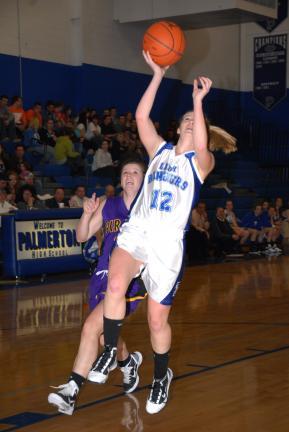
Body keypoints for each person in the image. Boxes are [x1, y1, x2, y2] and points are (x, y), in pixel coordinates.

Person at [91, 51, 215, 415]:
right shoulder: (159, 151)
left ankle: (162, 375)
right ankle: (110, 351)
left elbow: (204, 145)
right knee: (115, 286)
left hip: (167, 246)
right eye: (188, 121)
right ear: (177, 129)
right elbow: (142, 116)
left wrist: (197, 102)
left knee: (156, 320)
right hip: (139, 232)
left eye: (199, 121)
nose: (193, 124)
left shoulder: (201, 164)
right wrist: (158, 75)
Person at [48, 157, 146, 415]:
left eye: (135, 172)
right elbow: (82, 236)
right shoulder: (108, 204)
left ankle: (71, 390)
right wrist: (87, 213)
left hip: (129, 280)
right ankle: (128, 363)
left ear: (144, 178)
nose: (129, 175)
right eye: (125, 171)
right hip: (101, 276)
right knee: (105, 337)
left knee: (92, 326)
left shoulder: (149, 207)